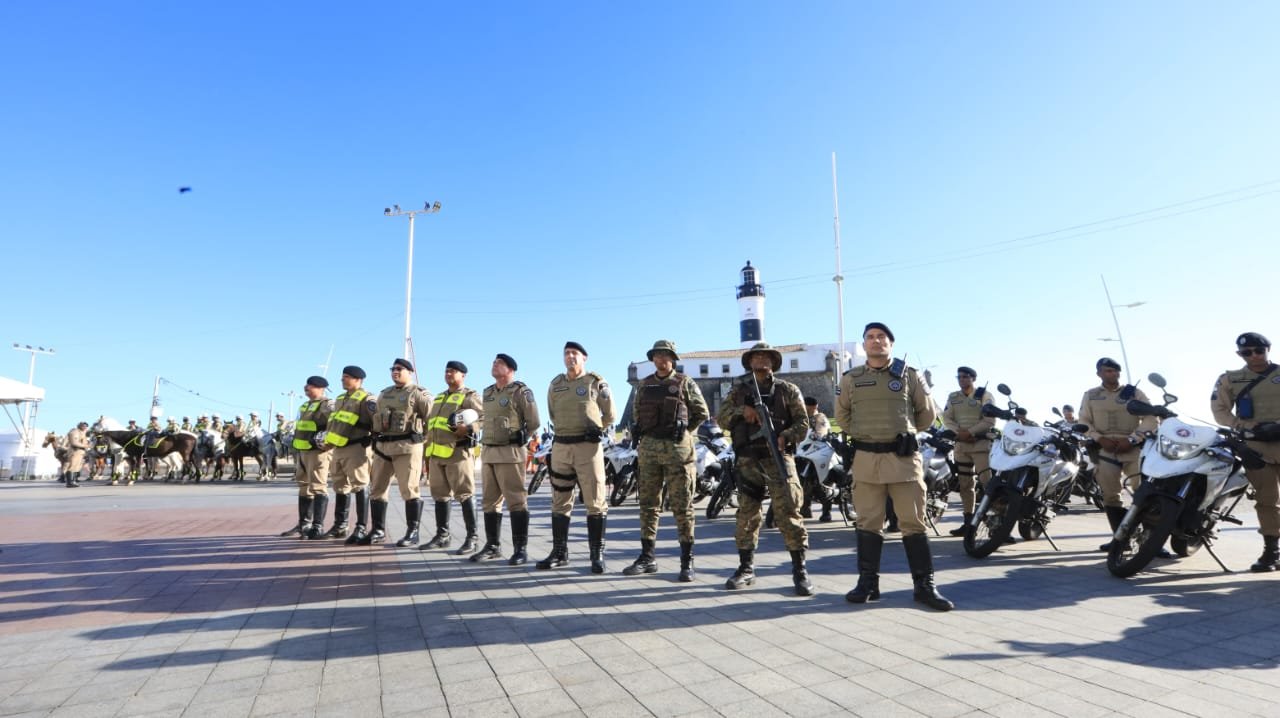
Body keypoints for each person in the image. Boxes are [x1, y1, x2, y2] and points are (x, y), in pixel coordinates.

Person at [838, 322, 952, 611]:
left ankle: (924, 587)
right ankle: (868, 584)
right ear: (864, 344)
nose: (876, 341)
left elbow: (927, 414)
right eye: (870, 337)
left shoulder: (909, 375)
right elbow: (843, 416)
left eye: (881, 337)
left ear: (891, 343)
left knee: (913, 522)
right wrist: (868, 435)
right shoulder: (850, 379)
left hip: (903, 460)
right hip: (866, 460)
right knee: (868, 522)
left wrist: (904, 432)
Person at [716, 342, 814, 596]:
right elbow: (722, 418)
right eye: (756, 356)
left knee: (789, 513)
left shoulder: (787, 390)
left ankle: (800, 571)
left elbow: (803, 423)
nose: (761, 360)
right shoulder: (738, 391)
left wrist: (785, 436)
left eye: (766, 356)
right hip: (748, 460)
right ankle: (746, 569)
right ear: (749, 362)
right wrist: (743, 411)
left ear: (774, 362)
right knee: (747, 516)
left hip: (778, 457)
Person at [623, 340, 709, 581]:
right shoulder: (644, 384)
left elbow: (701, 412)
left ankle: (687, 562)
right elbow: (637, 413)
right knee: (648, 505)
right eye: (657, 355)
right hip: (649, 450)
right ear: (653, 358)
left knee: (682, 506)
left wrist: (684, 431)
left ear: (673, 359)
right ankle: (647, 557)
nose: (661, 359)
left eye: (666, 355)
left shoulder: (684, 382)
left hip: (677, 452)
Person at [537, 342, 615, 573]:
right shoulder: (556, 384)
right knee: (560, 500)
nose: (570, 357)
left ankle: (597, 555)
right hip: (561, 447)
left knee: (595, 501)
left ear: (584, 358)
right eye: (567, 353)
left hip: (587, 448)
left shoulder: (595, 382)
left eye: (574, 353)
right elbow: (552, 414)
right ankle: (559, 553)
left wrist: (598, 428)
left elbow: (610, 414)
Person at [1211, 332, 1280, 572]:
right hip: (1255, 446)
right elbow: (1220, 409)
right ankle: (1272, 551)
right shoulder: (1230, 378)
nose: (1254, 356)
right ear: (1239, 354)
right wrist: (1242, 426)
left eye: (1259, 351)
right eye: (1247, 352)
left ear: (1268, 349)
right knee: (1267, 500)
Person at [1080, 357, 1158, 552]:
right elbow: (1084, 422)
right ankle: (1121, 539)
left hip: (1133, 448)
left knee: (1146, 493)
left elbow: (1150, 419)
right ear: (1099, 373)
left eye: (1116, 371)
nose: (1113, 374)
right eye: (1108, 371)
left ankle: (1151, 542)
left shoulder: (1134, 393)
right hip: (1105, 449)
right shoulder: (1091, 395)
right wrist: (1099, 438)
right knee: (1110, 495)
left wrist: (1132, 439)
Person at [471, 353, 541, 564]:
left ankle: (520, 550)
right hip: (489, 452)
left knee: (516, 501)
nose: (494, 365)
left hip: (510, 452)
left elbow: (534, 421)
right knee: (489, 501)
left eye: (499, 363)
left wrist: (523, 437)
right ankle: (492, 546)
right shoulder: (488, 392)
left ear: (510, 369)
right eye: (493, 362)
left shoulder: (520, 391)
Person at [361, 358, 434, 546]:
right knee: (377, 489)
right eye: (392, 369)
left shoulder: (418, 393)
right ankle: (378, 530)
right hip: (383, 448)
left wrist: (422, 441)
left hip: (407, 448)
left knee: (409, 489)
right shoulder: (384, 394)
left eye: (399, 369)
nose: (395, 371)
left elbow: (431, 420)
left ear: (410, 372)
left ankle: (413, 532)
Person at [419, 361, 485, 554]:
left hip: (457, 453)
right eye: (447, 371)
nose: (448, 374)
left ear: (463, 375)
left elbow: (485, 417)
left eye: (453, 371)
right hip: (436, 454)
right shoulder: (439, 397)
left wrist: (470, 428)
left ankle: (472, 538)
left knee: (465, 494)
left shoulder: (469, 396)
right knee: (440, 496)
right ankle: (442, 536)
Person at [322, 366, 378, 543]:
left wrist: (372, 441)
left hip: (357, 447)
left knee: (360, 485)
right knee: (340, 486)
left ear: (358, 380)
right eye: (343, 376)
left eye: (347, 377)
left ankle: (361, 527)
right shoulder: (340, 399)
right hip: (337, 449)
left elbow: (377, 422)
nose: (342, 379)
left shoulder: (367, 398)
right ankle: (340, 526)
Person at [942, 366, 995, 536]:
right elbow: (946, 418)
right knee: (965, 485)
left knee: (988, 485)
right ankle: (968, 523)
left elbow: (989, 420)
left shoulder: (984, 395)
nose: (961, 379)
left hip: (980, 445)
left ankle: (996, 526)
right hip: (961, 446)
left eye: (965, 376)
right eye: (959, 377)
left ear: (973, 378)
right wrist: (960, 433)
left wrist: (970, 432)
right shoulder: (953, 397)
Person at [282, 376, 334, 539]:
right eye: (306, 385)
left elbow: (335, 424)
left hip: (317, 452)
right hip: (302, 451)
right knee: (304, 486)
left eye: (311, 385)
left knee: (318, 487)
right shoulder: (305, 405)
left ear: (321, 388)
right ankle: (304, 525)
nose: (306, 387)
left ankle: (317, 527)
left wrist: (326, 440)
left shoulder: (327, 405)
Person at [63, 421, 89, 488]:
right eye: (83, 426)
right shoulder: (75, 432)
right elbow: (74, 442)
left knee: (77, 467)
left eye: (86, 426)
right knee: (72, 466)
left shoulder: (82, 433)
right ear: (79, 426)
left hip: (80, 452)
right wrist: (86, 446)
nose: (85, 427)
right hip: (75, 451)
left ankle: (73, 481)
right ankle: (70, 482)